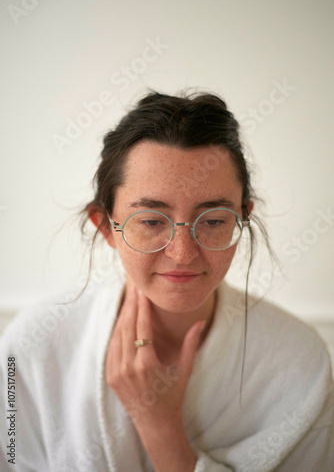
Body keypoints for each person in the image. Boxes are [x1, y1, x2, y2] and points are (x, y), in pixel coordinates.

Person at [0, 91, 333, 472]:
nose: (182, 253)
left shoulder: (299, 363)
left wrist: (160, 427)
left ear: (243, 218)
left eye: (212, 221)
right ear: (106, 226)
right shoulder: (30, 346)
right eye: (151, 222)